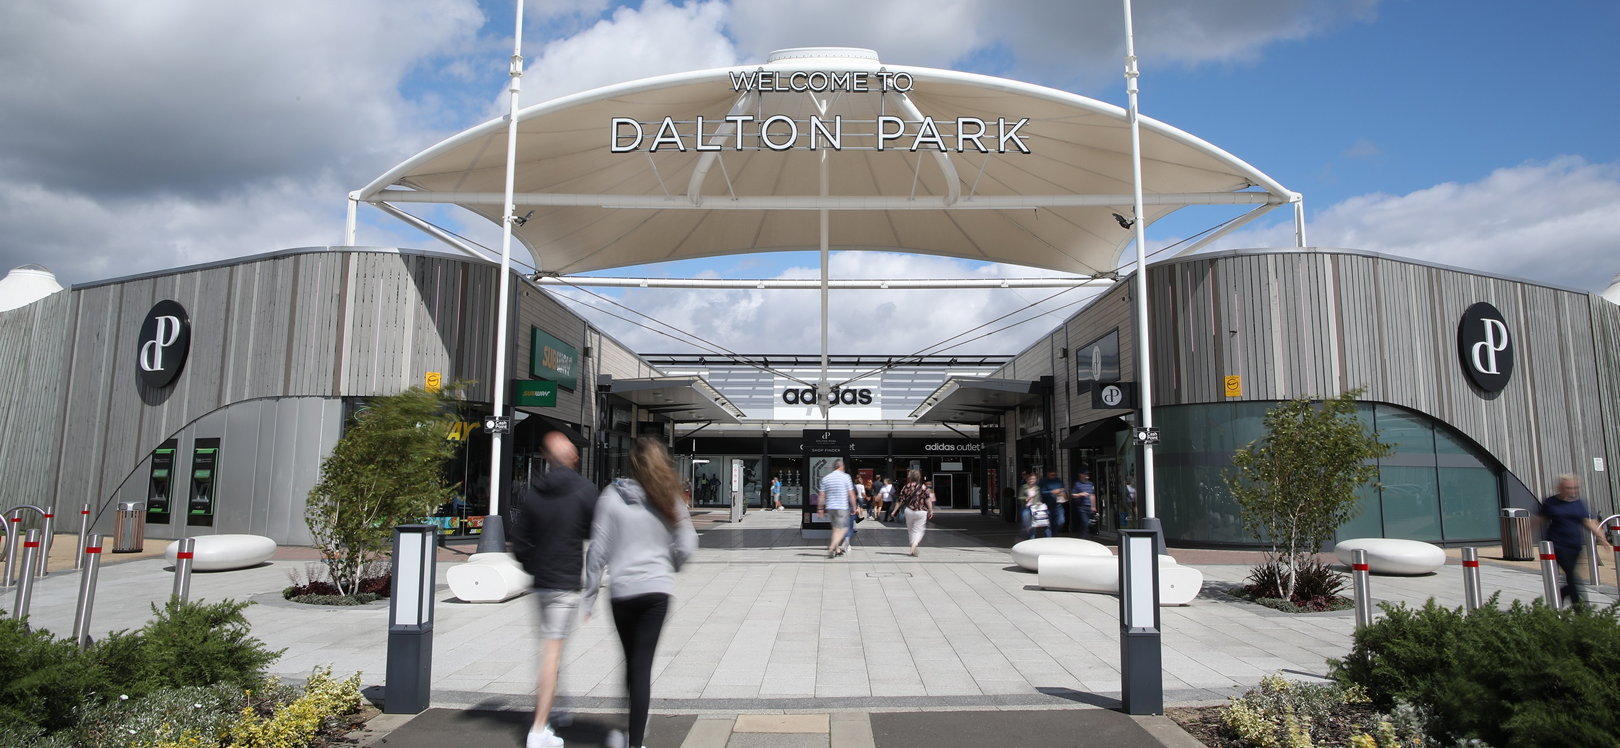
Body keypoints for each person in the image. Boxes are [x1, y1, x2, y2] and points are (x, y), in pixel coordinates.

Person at [582, 437, 698, 748]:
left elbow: (598, 551)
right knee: (642, 664)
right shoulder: (667, 496)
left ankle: (630, 728)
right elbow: (688, 543)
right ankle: (635, 740)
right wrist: (670, 563)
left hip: (622, 591)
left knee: (631, 659)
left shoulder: (610, 496)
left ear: (630, 463)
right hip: (657, 592)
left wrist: (589, 595)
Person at [511, 432, 598, 748]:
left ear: (548, 458)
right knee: (551, 652)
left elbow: (519, 543)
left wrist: (535, 567)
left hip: (542, 585)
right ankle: (538, 730)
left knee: (553, 647)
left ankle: (557, 707)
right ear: (573, 459)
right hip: (565, 584)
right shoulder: (585, 491)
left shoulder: (534, 493)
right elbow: (600, 532)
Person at [1539, 474, 1615, 607]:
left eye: (1574, 487)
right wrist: (1522, 536)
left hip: (1575, 545)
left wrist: (1601, 536)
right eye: (1568, 487)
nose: (1571, 491)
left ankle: (1562, 594)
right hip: (1558, 544)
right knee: (1573, 577)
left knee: (1572, 578)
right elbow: (1538, 520)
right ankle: (1580, 610)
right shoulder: (1551, 502)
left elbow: (1587, 521)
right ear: (1560, 487)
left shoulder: (1577, 503)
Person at [818, 459, 857, 558]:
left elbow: (822, 495)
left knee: (835, 529)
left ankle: (837, 549)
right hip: (841, 507)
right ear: (841, 466)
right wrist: (854, 506)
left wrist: (820, 509)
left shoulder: (826, 478)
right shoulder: (846, 477)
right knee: (844, 528)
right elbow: (851, 494)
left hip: (830, 507)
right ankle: (831, 548)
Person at [897, 469, 934, 556]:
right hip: (921, 511)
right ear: (919, 478)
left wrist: (894, 511)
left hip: (909, 510)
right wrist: (930, 510)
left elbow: (900, 500)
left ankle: (912, 546)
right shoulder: (923, 487)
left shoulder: (906, 487)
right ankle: (914, 544)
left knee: (911, 530)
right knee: (919, 530)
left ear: (909, 477)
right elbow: (928, 500)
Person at [1071, 469, 1096, 539]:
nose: (1086, 476)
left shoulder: (1090, 484)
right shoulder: (1077, 484)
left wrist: (1094, 506)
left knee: (1088, 523)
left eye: (1087, 474)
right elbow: (1073, 495)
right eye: (1085, 474)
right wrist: (1080, 494)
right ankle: (1083, 538)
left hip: (1089, 506)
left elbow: (1092, 495)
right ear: (1080, 475)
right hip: (1081, 506)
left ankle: (1085, 536)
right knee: (1085, 522)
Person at [1040, 469, 1066, 534]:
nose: (1053, 476)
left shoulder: (1058, 481)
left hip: (1058, 505)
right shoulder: (1044, 482)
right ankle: (1049, 537)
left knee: (1061, 521)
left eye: (1054, 475)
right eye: (1051, 475)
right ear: (1047, 474)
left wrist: (1062, 492)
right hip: (1047, 505)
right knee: (1048, 523)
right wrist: (1051, 492)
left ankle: (1054, 531)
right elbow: (1041, 492)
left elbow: (1063, 489)